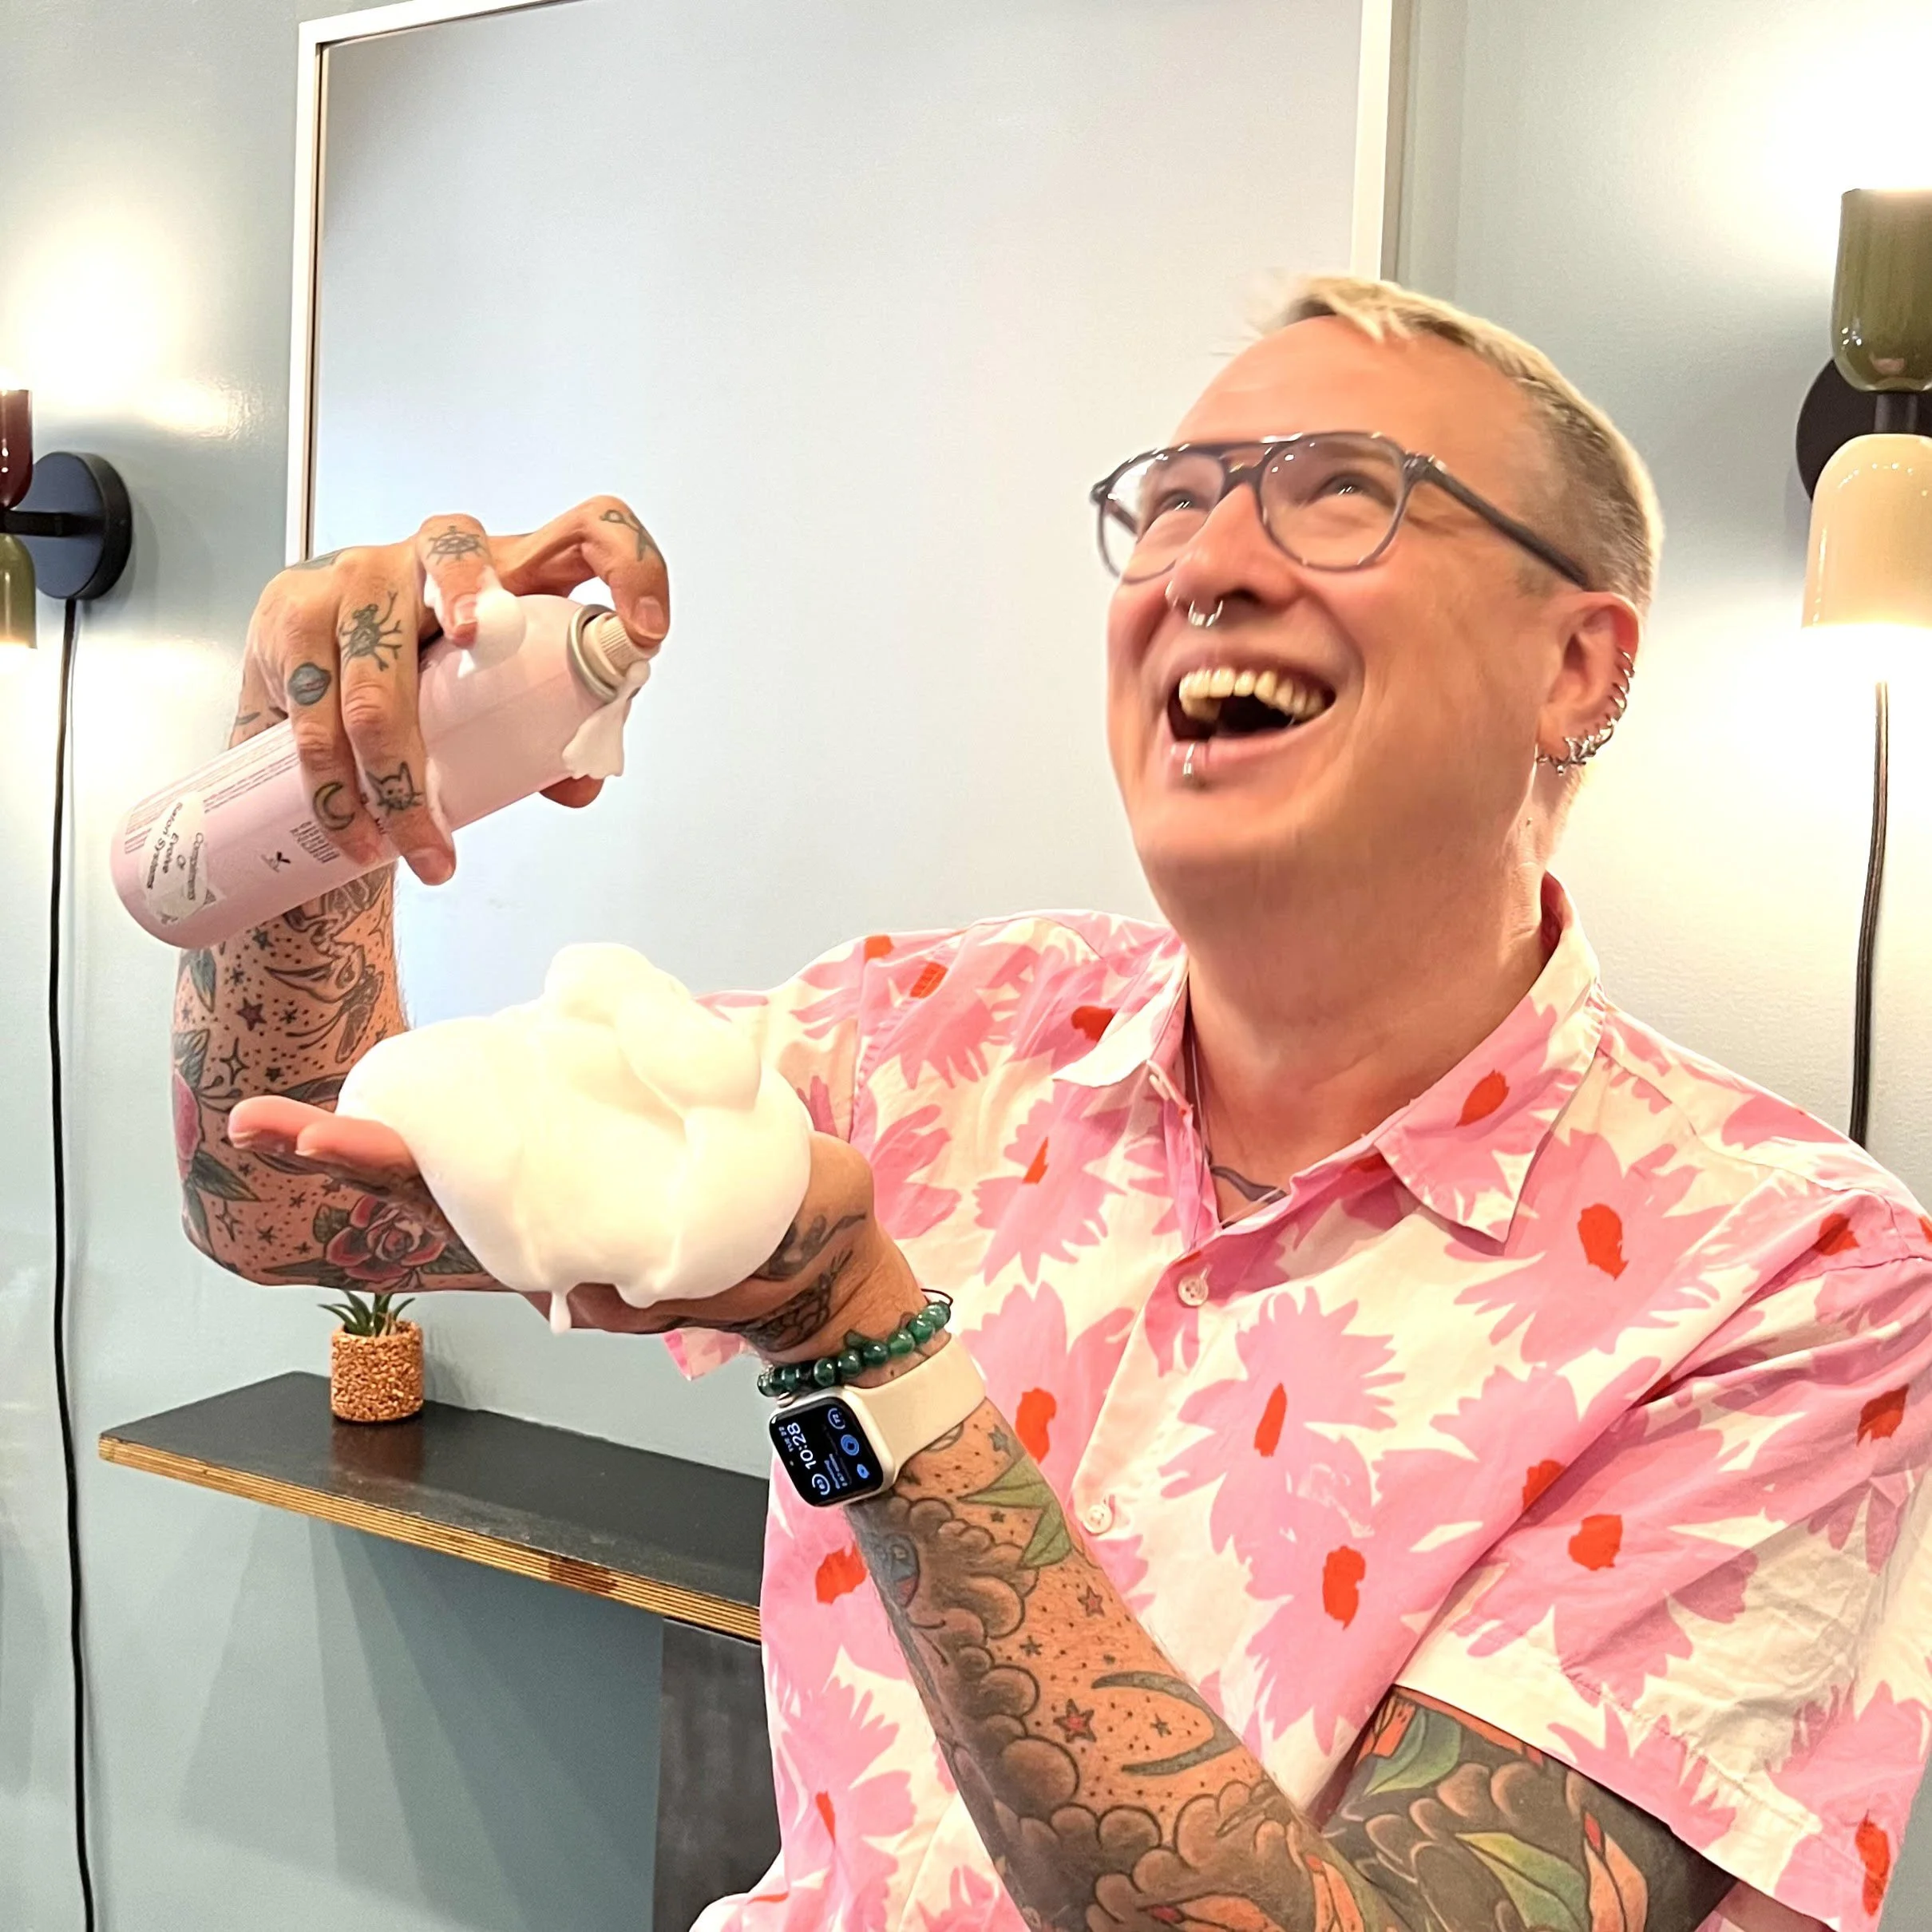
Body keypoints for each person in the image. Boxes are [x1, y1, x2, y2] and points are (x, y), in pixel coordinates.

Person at [176, 276, 1932, 1932]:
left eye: (1342, 495)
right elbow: (282, 1192)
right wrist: (306, 777)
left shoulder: (1796, 1283)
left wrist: (866, 1355)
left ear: (1577, 665)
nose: (1206, 566)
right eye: (1167, 508)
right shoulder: (933, 1037)